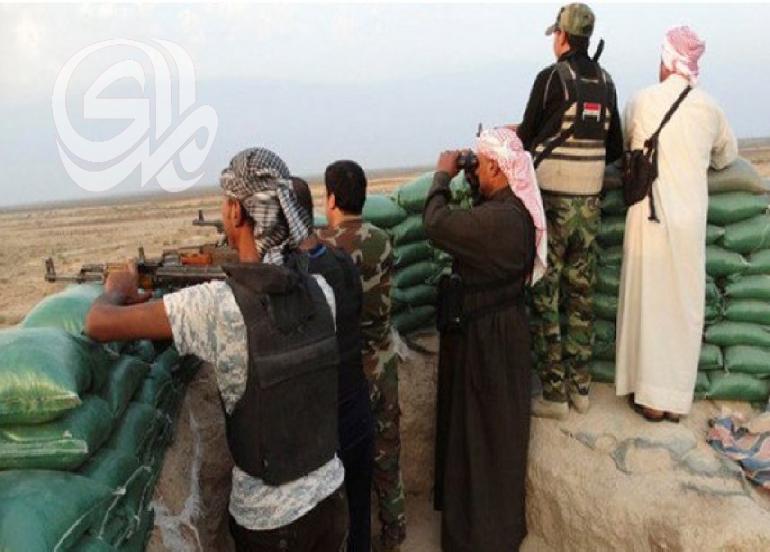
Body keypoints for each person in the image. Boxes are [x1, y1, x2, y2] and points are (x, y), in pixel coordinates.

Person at [84, 148, 349, 552]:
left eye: (226, 202)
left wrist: (116, 289)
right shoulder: (322, 291)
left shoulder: (218, 308)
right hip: (331, 501)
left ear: (236, 212)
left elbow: (99, 324)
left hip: (271, 524)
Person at [425, 127, 545, 551]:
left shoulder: (501, 220)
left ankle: (479, 537)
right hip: (497, 333)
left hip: (488, 341)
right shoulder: (511, 212)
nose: (474, 171)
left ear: (496, 166)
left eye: (479, 164)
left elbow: (436, 224)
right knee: (490, 436)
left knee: (480, 438)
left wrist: (443, 175)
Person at [615, 26, 737, 422]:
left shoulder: (640, 100)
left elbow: (626, 143)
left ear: (667, 61)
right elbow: (727, 156)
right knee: (682, 307)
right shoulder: (710, 109)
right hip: (689, 221)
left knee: (648, 303)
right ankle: (673, 400)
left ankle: (649, 398)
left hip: (648, 218)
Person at [517, 2, 624, 419]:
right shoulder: (607, 82)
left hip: (553, 205)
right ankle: (581, 389)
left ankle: (554, 395)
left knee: (545, 295)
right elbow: (614, 147)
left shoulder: (551, 79)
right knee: (582, 297)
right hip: (591, 205)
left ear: (562, 37)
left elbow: (526, 137)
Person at [317, 161, 406, 552]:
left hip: (348, 369)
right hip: (382, 361)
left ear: (332, 198)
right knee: (387, 453)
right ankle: (394, 533)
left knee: (342, 463)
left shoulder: (324, 247)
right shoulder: (383, 239)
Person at [292, 176, 375, 552]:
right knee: (357, 515)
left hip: (323, 427)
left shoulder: (292, 278)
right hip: (354, 406)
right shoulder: (340, 260)